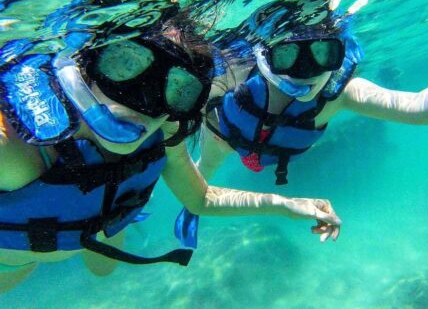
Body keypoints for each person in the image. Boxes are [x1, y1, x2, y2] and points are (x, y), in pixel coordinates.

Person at [0, 18, 342, 293]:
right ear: (86, 62)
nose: (144, 101)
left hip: (101, 230)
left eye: (180, 90)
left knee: (103, 271)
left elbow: (202, 198)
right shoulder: (17, 150)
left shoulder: (163, 134)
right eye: (125, 63)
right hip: (11, 261)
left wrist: (286, 205)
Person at [198, 12, 428, 186]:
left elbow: (421, 107)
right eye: (288, 56)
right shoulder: (236, 70)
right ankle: (191, 208)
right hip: (223, 138)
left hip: (265, 151)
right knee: (205, 171)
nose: (306, 71)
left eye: (322, 54)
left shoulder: (341, 95)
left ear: (340, 54)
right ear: (266, 57)